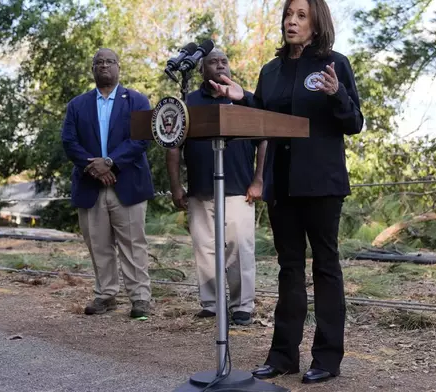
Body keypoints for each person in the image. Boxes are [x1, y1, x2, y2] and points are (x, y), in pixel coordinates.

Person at [209, 0, 364, 384]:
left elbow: (354, 122)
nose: (291, 22)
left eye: (300, 16)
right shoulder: (272, 70)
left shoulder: (334, 64)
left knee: (325, 267)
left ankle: (327, 358)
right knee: (289, 269)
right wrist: (241, 96)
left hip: (322, 183)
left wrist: (336, 94)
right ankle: (283, 356)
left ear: (316, 23)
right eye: (288, 16)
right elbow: (264, 115)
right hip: (283, 183)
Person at [166, 49, 267, 326]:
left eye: (224, 61)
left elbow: (263, 141)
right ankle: (211, 304)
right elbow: (173, 147)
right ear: (201, 70)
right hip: (200, 191)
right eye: (213, 61)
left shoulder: (244, 99)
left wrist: (259, 180)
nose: (220, 65)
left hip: (239, 189)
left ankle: (242, 306)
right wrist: (176, 187)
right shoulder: (189, 102)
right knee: (204, 249)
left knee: (240, 249)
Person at [61, 48, 154, 320]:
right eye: (98, 62)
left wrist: (111, 162)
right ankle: (106, 296)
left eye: (109, 61)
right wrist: (95, 168)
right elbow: (69, 142)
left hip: (128, 185)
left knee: (133, 244)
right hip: (91, 186)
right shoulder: (77, 105)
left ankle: (140, 299)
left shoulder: (137, 100)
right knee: (98, 244)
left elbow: (141, 140)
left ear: (118, 67)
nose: (104, 66)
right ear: (92, 69)